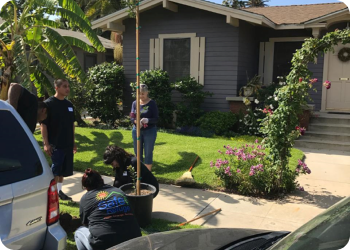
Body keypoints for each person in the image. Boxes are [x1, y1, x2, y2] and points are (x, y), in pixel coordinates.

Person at [75, 168, 141, 250]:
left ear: (86, 187)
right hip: (135, 241)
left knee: (79, 232)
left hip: (104, 244)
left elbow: (85, 223)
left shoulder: (86, 198)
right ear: (102, 180)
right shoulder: (119, 191)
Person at [40, 79, 77, 200]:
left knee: (63, 171)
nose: (68, 89)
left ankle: (59, 191)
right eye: (64, 86)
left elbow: (72, 125)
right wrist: (46, 144)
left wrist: (73, 142)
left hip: (67, 144)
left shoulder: (69, 105)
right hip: (55, 144)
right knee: (56, 170)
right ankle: (51, 193)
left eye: (68, 86)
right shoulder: (48, 104)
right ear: (57, 88)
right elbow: (43, 125)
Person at [130, 84, 158, 171]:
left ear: (147, 93)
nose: (141, 96)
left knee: (148, 152)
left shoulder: (152, 103)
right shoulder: (135, 103)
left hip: (149, 131)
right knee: (138, 152)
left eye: (143, 94)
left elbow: (156, 119)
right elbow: (132, 116)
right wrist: (136, 122)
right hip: (136, 131)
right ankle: (139, 171)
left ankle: (147, 173)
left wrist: (148, 120)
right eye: (139, 94)